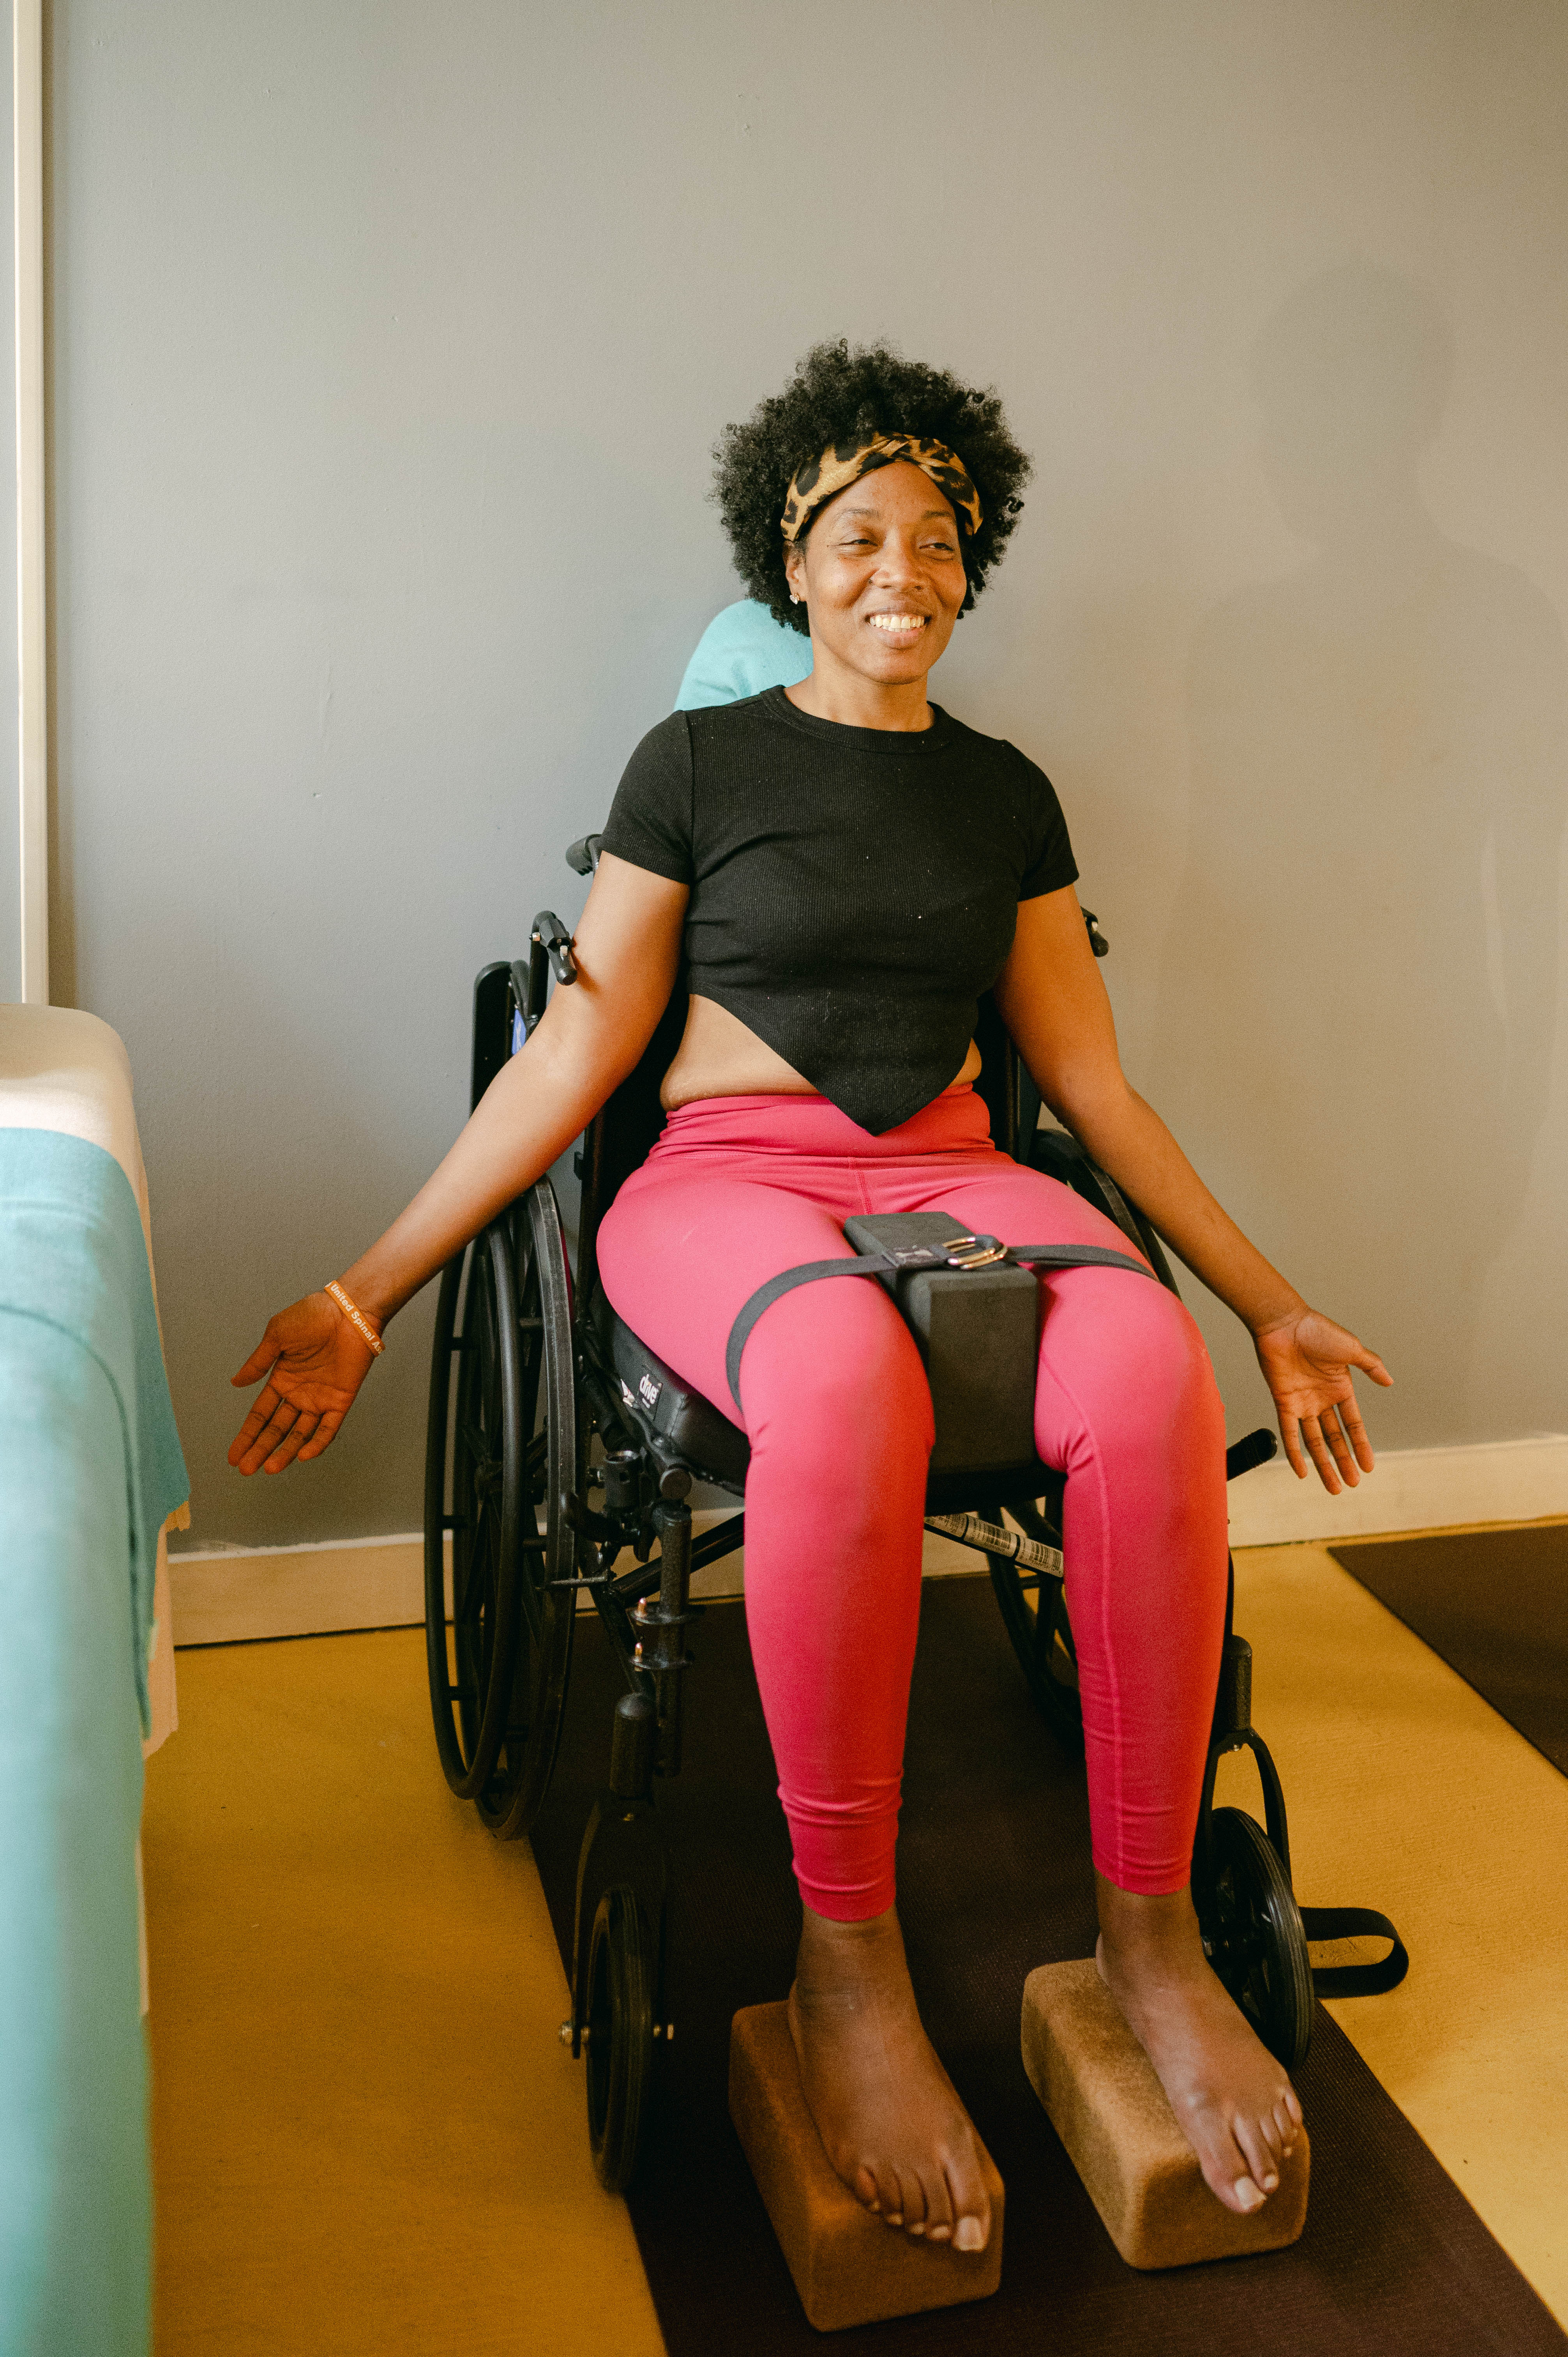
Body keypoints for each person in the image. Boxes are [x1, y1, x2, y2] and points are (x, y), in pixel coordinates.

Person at [230, 340, 1391, 2259]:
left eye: (940, 538)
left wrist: (1270, 1302)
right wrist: (365, 1292)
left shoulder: (1007, 794)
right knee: (846, 1376)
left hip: (953, 1168)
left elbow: (1091, 1092)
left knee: (1142, 1366)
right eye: (861, 533)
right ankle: (847, 1972)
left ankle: (1153, 1936)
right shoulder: (694, 763)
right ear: (790, 550)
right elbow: (573, 1051)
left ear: (973, 559)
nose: (902, 569)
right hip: (723, 1186)